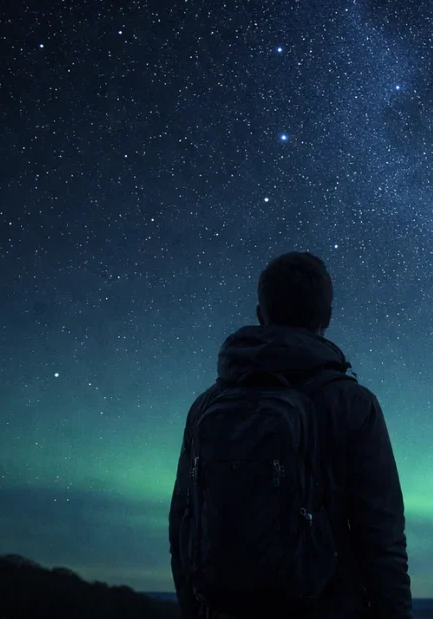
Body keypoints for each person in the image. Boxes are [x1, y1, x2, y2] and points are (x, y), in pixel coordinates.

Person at [169, 252, 411, 618]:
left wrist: (195, 610)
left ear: (260, 314)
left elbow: (182, 523)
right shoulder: (352, 403)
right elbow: (381, 536)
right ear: (326, 317)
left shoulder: (207, 404)